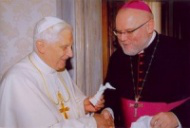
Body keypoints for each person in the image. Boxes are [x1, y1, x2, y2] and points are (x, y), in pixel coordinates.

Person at [0, 16, 114, 128]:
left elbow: (65, 109)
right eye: (64, 47)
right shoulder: (18, 80)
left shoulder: (59, 69)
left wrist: (82, 106)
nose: (71, 54)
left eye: (71, 47)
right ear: (41, 46)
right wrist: (92, 123)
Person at [104, 0, 190, 128]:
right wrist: (108, 111)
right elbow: (110, 91)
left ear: (149, 26)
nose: (122, 38)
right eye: (119, 32)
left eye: (129, 31)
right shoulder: (117, 58)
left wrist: (177, 117)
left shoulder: (182, 51)